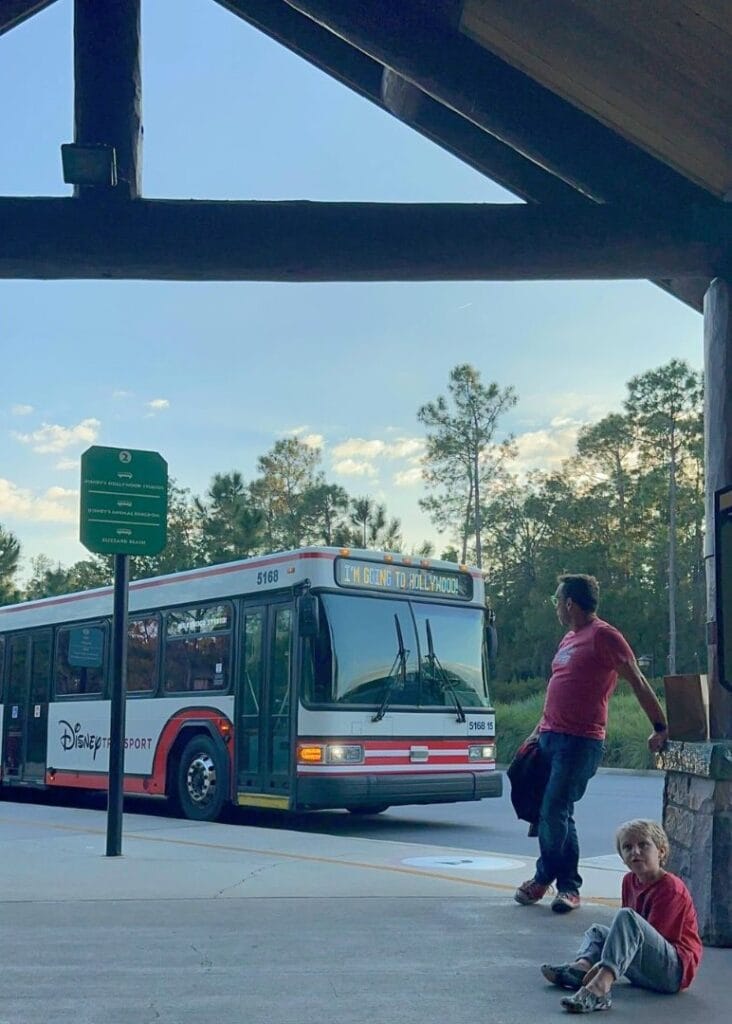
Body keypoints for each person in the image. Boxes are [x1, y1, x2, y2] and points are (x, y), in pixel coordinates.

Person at [514, 573, 668, 913]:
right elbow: (561, 686)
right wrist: (537, 731)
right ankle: (568, 887)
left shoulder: (604, 635)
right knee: (556, 812)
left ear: (570, 603)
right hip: (549, 737)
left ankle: (544, 879)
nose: (556, 607)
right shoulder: (569, 638)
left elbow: (637, 680)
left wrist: (660, 725)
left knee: (554, 810)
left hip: (580, 742)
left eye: (557, 601)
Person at [541, 819, 702, 1014]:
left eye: (643, 845)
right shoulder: (629, 881)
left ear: (661, 851)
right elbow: (628, 934)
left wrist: (603, 964)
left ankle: (599, 988)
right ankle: (580, 969)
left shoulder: (671, 888)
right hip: (644, 969)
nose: (635, 851)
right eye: (627, 847)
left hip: (672, 973)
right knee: (598, 931)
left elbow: (652, 939)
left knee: (626, 917)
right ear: (623, 858)